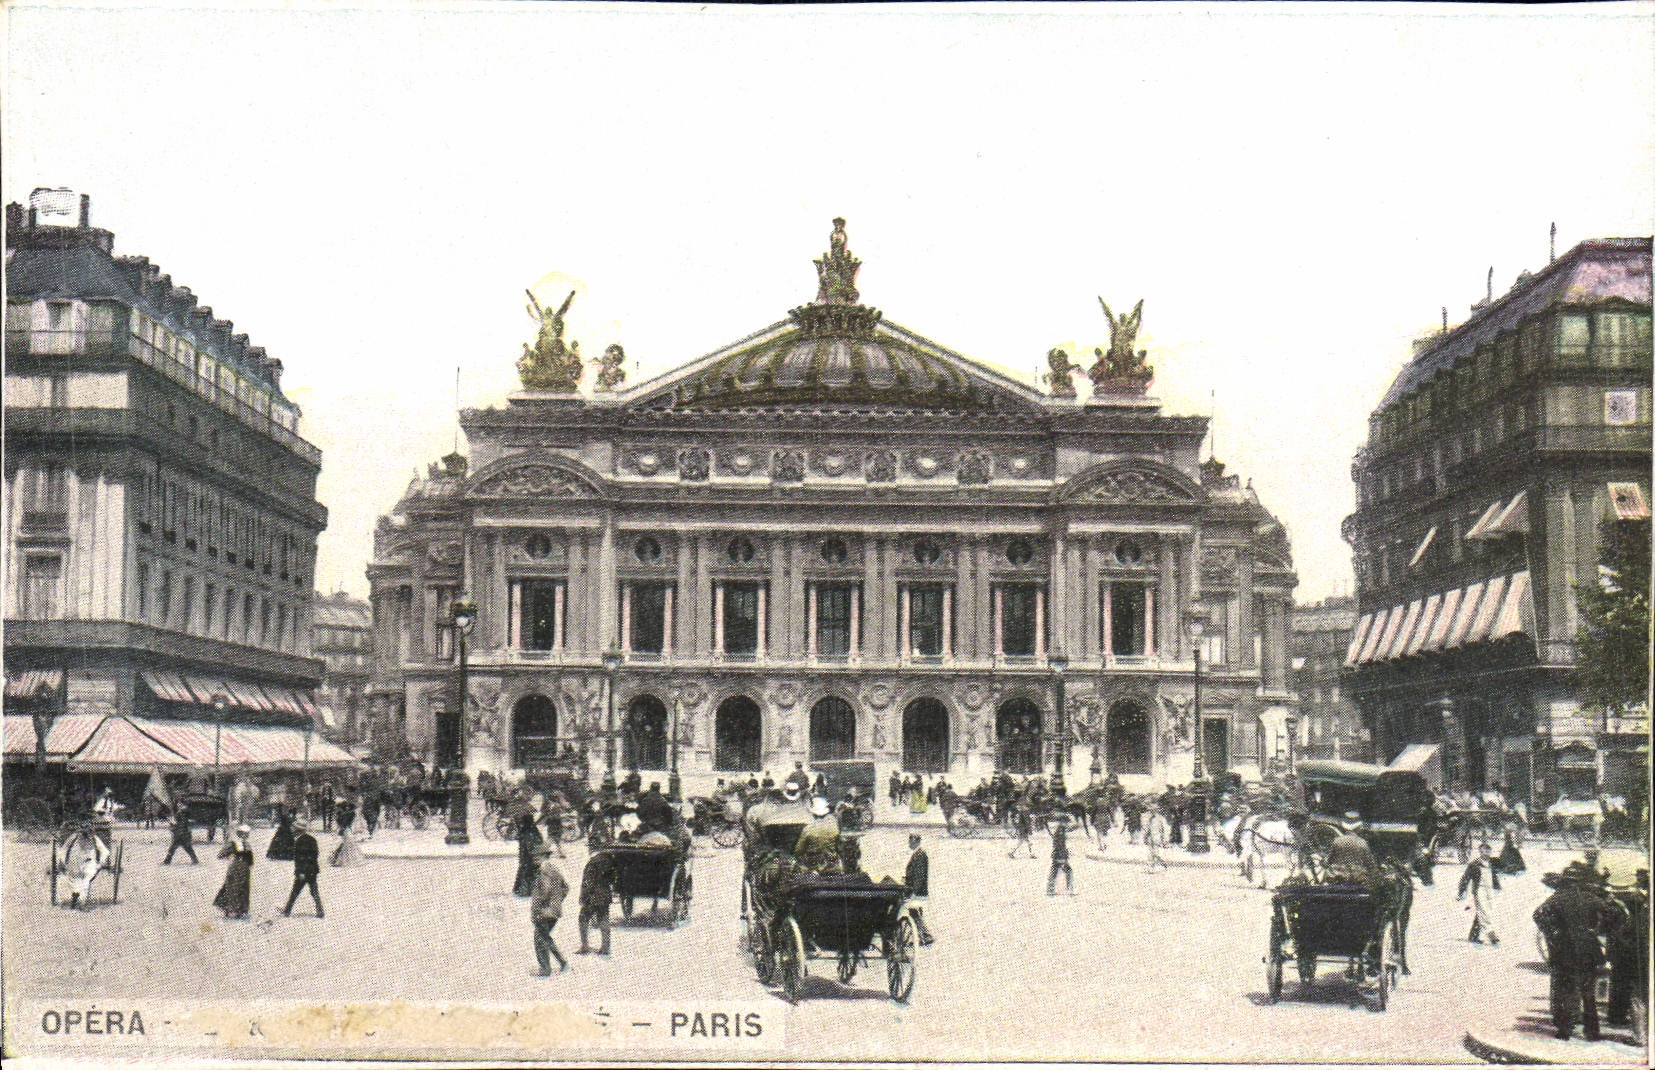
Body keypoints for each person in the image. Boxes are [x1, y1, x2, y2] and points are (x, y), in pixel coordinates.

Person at [1533, 860, 1624, 1042]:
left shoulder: (1558, 897)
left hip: (1564, 949)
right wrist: (1600, 930)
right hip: (1588, 948)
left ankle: (1565, 1030)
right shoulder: (1590, 897)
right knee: (1588, 992)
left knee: (1568, 990)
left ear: (1564, 880)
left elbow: (1538, 914)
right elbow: (1615, 914)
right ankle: (1592, 1032)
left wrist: (1553, 932)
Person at [530, 844, 570, 976]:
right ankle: (562, 962)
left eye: (537, 857)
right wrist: (557, 902)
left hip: (544, 911)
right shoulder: (554, 870)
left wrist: (540, 906)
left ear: (543, 856)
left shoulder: (544, 871)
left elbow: (545, 891)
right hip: (554, 911)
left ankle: (545, 969)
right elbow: (565, 888)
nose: (535, 860)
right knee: (545, 937)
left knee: (539, 939)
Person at [1456, 841, 1501, 945]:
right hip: (1479, 890)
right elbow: (1465, 878)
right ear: (1480, 852)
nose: (1487, 854)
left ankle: (1473, 935)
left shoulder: (1492, 863)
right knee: (1484, 910)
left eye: (1489, 851)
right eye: (1484, 851)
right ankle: (1491, 934)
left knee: (1484, 911)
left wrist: (1497, 886)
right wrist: (1461, 891)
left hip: (1489, 889)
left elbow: (1497, 873)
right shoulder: (1474, 864)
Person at [281, 817, 324, 917]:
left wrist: (301, 872)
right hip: (313, 870)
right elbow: (315, 855)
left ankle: (287, 911)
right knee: (314, 891)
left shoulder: (300, 841)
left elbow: (301, 859)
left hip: (303, 871)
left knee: (295, 891)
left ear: (298, 830)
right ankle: (320, 911)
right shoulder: (312, 839)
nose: (293, 830)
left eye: (294, 828)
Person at [1325, 813, 1381, 886]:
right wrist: (1377, 875)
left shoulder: (1337, 841)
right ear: (1357, 828)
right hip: (1356, 879)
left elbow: (1328, 861)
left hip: (1337, 878)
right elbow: (1370, 864)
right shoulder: (1362, 843)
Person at [577, 851, 615, 957]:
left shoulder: (593, 862)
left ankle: (585, 946)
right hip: (605, 894)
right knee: (604, 918)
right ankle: (605, 947)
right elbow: (612, 880)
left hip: (592, 896)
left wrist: (583, 895)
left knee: (583, 919)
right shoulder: (610, 862)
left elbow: (588, 881)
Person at [213, 825, 255, 919]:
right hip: (235, 868)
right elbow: (221, 855)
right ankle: (230, 909)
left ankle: (241, 910)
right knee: (233, 888)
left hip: (245, 870)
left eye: (246, 834)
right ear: (239, 834)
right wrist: (229, 857)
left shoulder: (247, 845)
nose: (245, 836)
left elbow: (250, 860)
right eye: (243, 834)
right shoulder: (234, 843)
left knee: (243, 889)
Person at [795, 796, 842, 873]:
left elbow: (798, 851)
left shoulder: (808, 829)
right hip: (832, 866)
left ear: (813, 814)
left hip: (813, 868)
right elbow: (839, 846)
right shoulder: (834, 826)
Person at [904, 833, 935, 945]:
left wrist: (914, 892)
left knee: (915, 913)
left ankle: (926, 935)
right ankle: (920, 937)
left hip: (918, 891)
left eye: (911, 841)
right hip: (918, 890)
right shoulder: (918, 854)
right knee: (916, 913)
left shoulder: (920, 855)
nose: (909, 844)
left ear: (916, 841)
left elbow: (919, 876)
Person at [513, 806, 546, 896]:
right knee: (531, 872)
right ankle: (527, 890)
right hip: (531, 857)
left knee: (526, 872)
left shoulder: (525, 832)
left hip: (527, 857)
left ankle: (523, 890)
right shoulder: (533, 831)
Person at [1047, 816, 1074, 895]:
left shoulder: (1060, 829)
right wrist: (1063, 855)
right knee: (1068, 870)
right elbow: (1060, 844)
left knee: (1055, 871)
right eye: (1066, 822)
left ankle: (1050, 889)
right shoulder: (1061, 831)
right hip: (1059, 854)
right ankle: (1069, 889)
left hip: (1057, 854)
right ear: (1063, 822)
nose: (1067, 824)